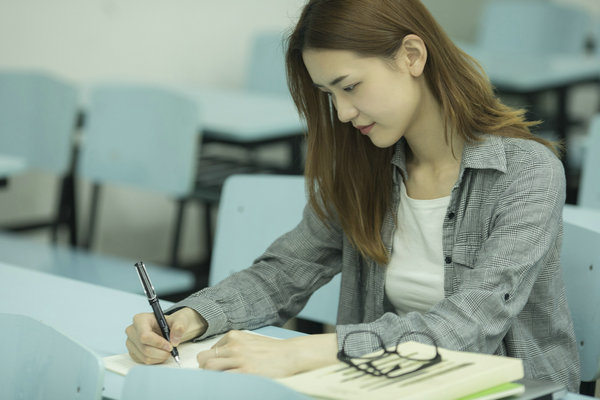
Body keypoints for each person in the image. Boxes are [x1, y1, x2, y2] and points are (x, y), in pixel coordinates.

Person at [125, 0, 580, 391]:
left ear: (412, 56)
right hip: (389, 385)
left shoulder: (527, 173)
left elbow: (471, 324)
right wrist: (192, 318)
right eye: (328, 94)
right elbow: (284, 273)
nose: (342, 112)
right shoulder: (367, 167)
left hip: (508, 389)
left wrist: (310, 352)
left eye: (350, 86)